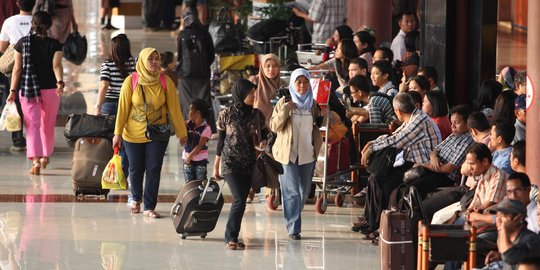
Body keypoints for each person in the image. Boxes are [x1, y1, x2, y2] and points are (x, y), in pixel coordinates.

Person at [113, 48, 188, 218]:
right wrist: (117, 133)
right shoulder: (131, 81)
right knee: (135, 168)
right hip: (132, 133)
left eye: (157, 58)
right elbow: (122, 109)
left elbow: (174, 109)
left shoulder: (165, 81)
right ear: (142, 61)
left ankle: (149, 206)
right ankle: (136, 198)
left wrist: (181, 133)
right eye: (150, 59)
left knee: (154, 168)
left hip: (157, 133)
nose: (154, 62)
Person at [356, 93, 440, 237]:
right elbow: (394, 135)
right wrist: (372, 143)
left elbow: (397, 141)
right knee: (375, 177)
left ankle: (377, 225)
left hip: (423, 168)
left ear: (398, 111)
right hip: (412, 164)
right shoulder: (413, 118)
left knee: (382, 181)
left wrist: (371, 148)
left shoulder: (419, 120)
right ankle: (370, 220)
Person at [213, 79, 268, 250]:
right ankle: (230, 237)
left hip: (249, 164)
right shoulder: (226, 114)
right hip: (230, 163)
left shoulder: (257, 115)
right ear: (241, 93)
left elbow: (266, 134)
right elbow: (221, 142)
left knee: (242, 200)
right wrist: (216, 166)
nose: (253, 96)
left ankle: (234, 237)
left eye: (254, 93)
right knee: (238, 199)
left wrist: (265, 141)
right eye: (250, 93)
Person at [6, 11, 63, 175]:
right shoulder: (55, 44)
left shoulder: (23, 43)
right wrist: (60, 83)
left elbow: (17, 69)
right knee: (47, 126)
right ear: (49, 26)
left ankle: (36, 161)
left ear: (33, 24)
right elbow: (57, 66)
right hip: (51, 90)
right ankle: (45, 156)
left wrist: (12, 91)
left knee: (32, 127)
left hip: (28, 90)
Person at [270, 68, 322, 240]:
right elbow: (274, 126)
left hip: (307, 153)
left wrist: (327, 115)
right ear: (292, 83)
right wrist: (285, 110)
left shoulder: (313, 104)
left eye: (305, 82)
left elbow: (318, 123)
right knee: (292, 192)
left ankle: (293, 214)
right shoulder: (284, 101)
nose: (302, 86)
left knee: (304, 191)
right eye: (298, 82)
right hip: (287, 154)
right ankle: (293, 229)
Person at [468, 173, 538, 268]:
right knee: (468, 244)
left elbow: (522, 253)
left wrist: (505, 230)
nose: (513, 196)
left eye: (517, 190)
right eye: (509, 192)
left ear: (528, 189)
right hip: (510, 258)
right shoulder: (506, 213)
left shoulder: (536, 213)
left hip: (526, 263)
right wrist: (501, 255)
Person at [408, 105, 474, 199]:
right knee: (407, 179)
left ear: (467, 123)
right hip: (434, 169)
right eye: (451, 122)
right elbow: (436, 149)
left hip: (445, 177)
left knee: (415, 187)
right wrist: (434, 157)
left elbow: (449, 167)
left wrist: (423, 165)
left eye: (457, 123)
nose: (452, 126)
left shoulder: (467, 141)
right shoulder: (454, 135)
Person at [0, 0, 34, 152]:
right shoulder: (38, 20)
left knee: (14, 101)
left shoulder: (9, 21)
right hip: (36, 66)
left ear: (18, 4)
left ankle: (18, 140)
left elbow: (2, 47)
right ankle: (35, 139)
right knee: (34, 101)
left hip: (15, 68)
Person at [176, 7, 215, 131]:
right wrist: (204, 66)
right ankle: (208, 128)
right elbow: (211, 55)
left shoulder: (182, 35)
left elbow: (180, 56)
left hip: (185, 76)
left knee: (186, 102)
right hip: (202, 75)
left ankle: (188, 127)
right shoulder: (205, 33)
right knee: (205, 102)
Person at [482, 198, 540, 270]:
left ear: (518, 219)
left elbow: (509, 257)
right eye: (497, 216)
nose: (498, 220)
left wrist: (503, 229)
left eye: (503, 216)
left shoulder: (531, 239)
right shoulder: (509, 237)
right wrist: (500, 256)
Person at [95, 34, 136, 116]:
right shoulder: (136, 62)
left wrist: (98, 107)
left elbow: (104, 85)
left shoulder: (107, 64)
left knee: (109, 128)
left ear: (112, 48)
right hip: (130, 102)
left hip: (110, 104)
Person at [252, 54, 286, 127]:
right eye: (268, 66)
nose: (271, 69)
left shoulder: (283, 84)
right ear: (262, 67)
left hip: (278, 126)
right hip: (257, 126)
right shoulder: (254, 81)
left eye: (275, 66)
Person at [183, 99, 211, 182]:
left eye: (190, 110)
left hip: (200, 162)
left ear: (198, 113)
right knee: (189, 186)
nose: (188, 113)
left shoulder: (206, 128)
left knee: (200, 185)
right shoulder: (187, 124)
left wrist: (190, 157)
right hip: (187, 159)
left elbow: (200, 146)